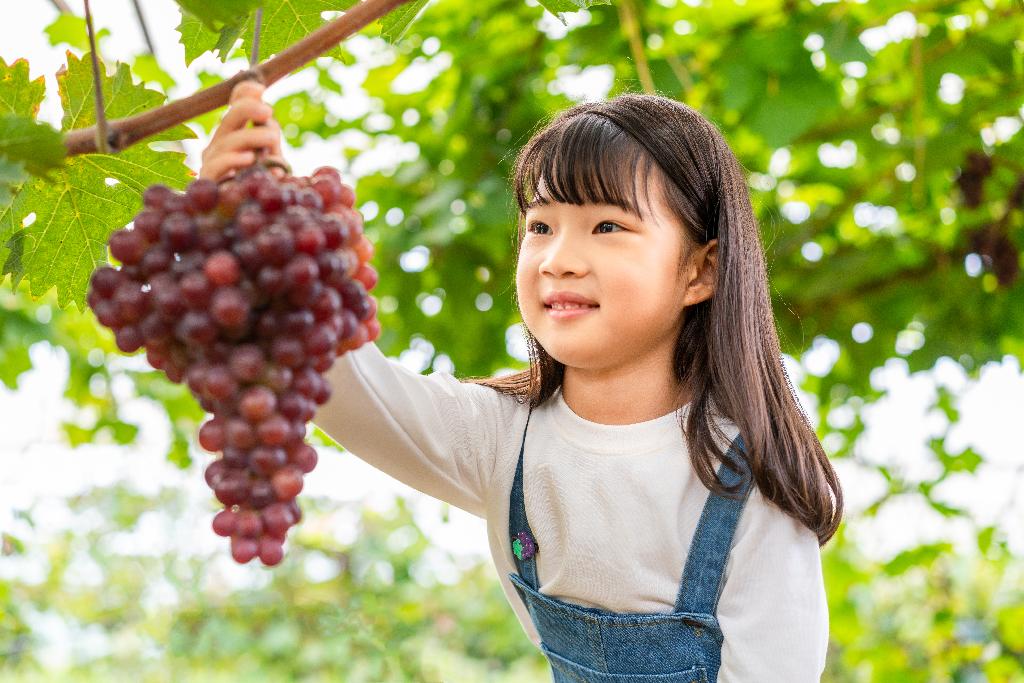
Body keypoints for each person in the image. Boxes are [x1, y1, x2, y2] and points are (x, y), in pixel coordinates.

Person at [201, 79, 844, 682]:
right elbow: (336, 381)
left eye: (607, 226)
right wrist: (251, 219)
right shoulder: (505, 436)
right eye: (540, 227)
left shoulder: (749, 484)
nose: (558, 260)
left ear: (701, 271)